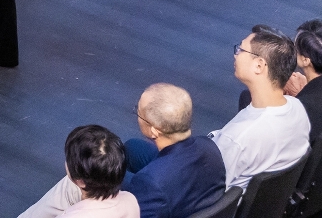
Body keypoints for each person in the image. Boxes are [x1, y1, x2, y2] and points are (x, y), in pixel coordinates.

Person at [18, 84, 226, 218]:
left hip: (163, 200)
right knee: (133, 147)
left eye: (139, 112)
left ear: (154, 130)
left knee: (77, 179)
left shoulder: (151, 185)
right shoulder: (209, 147)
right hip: (189, 194)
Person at [211, 24, 312, 189]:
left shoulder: (237, 140)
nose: (236, 55)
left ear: (259, 65)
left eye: (241, 50)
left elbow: (207, 191)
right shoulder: (298, 108)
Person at [238, 19, 322, 141]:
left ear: (305, 60)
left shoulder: (303, 108)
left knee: (248, 98)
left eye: (295, 46)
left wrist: (300, 97)